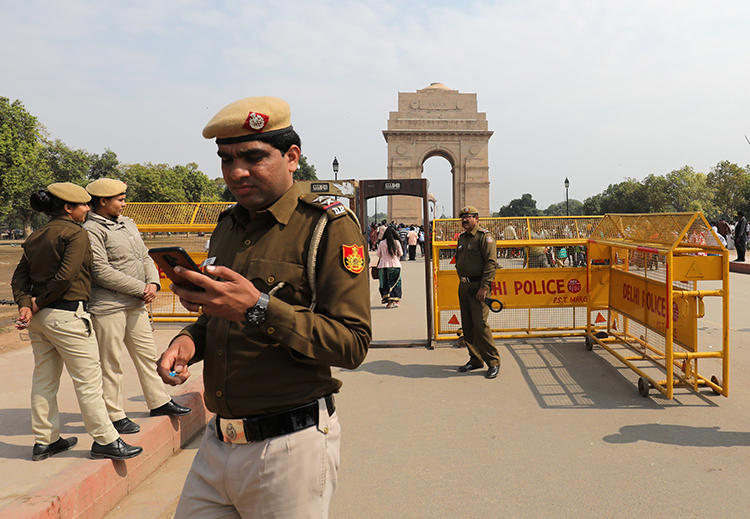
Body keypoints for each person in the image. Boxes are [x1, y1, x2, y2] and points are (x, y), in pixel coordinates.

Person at [155, 96, 371, 518]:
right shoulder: (227, 226)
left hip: (289, 448)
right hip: (217, 443)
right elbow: (220, 313)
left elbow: (352, 344)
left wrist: (258, 307)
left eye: (254, 157)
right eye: (227, 159)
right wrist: (187, 341)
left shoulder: (326, 226)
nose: (236, 172)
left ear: (292, 157)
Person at [11, 183, 143, 461]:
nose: (87, 209)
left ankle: (46, 440)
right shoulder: (75, 233)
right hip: (67, 315)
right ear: (68, 208)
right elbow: (66, 277)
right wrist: (38, 302)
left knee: (44, 380)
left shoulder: (36, 235)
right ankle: (105, 439)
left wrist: (27, 305)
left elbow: (20, 278)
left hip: (40, 320)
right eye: (83, 205)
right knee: (88, 381)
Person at [83, 178, 191, 436]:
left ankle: (159, 401)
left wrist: (153, 281)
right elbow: (99, 271)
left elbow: (144, 256)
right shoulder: (90, 230)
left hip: (135, 303)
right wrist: (140, 288)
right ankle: (114, 414)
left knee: (146, 354)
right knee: (111, 363)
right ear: (102, 201)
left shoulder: (127, 224)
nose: (124, 204)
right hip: (108, 306)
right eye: (119, 200)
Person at [454, 206, 501, 379]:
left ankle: (493, 362)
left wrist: (485, 287)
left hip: (478, 286)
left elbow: (490, 263)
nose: (464, 220)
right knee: (467, 325)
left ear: (476, 218)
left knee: (480, 326)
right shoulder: (462, 238)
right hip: (464, 286)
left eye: (468, 217)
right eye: (463, 217)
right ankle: (475, 359)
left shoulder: (485, 237)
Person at [377, 226, 404, 308]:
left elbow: (378, 255)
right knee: (395, 284)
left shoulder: (381, 243)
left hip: (383, 266)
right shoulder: (396, 242)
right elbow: (401, 254)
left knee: (385, 284)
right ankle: (394, 301)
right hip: (395, 265)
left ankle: (388, 301)